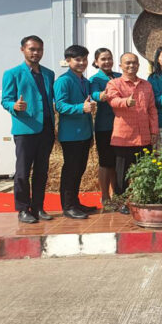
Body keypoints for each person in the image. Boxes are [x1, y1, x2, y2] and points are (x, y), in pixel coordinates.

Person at [1, 35, 55, 224]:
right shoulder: (12, 73)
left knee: (42, 171)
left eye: (39, 49)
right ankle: (23, 209)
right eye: (32, 49)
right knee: (23, 172)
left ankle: (38, 207)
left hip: (46, 129)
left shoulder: (49, 74)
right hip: (25, 129)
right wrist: (14, 106)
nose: (36, 53)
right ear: (22, 50)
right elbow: (5, 100)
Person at [103, 53, 159, 213]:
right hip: (124, 137)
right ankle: (121, 202)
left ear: (138, 65)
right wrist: (125, 102)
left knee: (145, 171)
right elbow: (112, 100)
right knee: (121, 174)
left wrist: (154, 130)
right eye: (127, 63)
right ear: (120, 66)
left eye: (134, 63)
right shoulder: (114, 83)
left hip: (144, 136)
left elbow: (152, 109)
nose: (131, 65)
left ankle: (144, 199)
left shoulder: (146, 85)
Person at [54, 45, 96, 219]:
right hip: (71, 135)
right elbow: (60, 106)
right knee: (70, 171)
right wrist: (81, 108)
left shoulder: (85, 81)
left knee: (79, 170)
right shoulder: (63, 81)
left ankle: (75, 202)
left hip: (84, 133)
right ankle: (68, 206)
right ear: (68, 61)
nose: (82, 63)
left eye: (84, 59)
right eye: (77, 60)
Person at [89, 48, 120, 207]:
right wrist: (101, 96)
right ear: (96, 62)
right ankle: (105, 197)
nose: (107, 62)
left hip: (121, 126)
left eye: (109, 58)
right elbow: (94, 94)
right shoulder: (95, 79)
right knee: (106, 162)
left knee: (117, 163)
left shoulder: (120, 76)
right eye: (103, 59)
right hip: (105, 126)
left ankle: (117, 195)